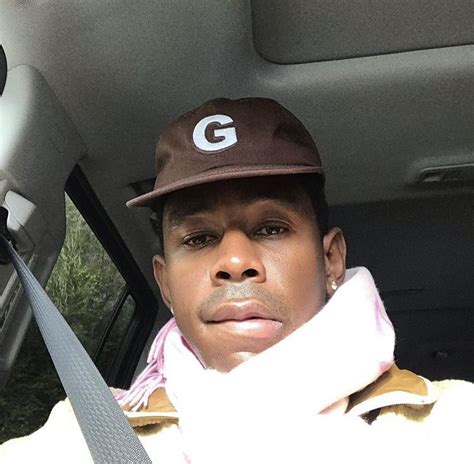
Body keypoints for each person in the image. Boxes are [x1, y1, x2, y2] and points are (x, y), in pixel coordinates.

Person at [1, 98, 472, 463]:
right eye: (200, 237)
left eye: (270, 228)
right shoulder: (86, 433)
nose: (233, 261)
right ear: (164, 285)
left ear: (330, 260)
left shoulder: (450, 426)